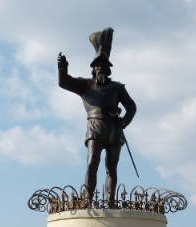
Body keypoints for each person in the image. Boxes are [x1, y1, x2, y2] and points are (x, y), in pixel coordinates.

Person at [57, 27, 137, 203]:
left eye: (103, 66)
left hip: (114, 129)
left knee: (111, 167)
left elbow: (131, 106)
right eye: (97, 66)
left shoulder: (117, 87)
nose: (100, 68)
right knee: (92, 163)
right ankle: (87, 199)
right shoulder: (85, 85)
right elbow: (64, 82)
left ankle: (110, 201)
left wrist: (124, 121)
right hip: (95, 127)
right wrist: (62, 68)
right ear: (93, 69)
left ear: (108, 69)